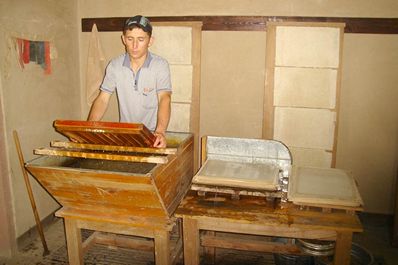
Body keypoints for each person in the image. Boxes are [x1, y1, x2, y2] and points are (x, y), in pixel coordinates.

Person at [87, 15, 172, 148]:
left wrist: (160, 132)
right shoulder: (114, 66)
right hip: (125, 133)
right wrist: (89, 128)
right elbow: (103, 99)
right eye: (130, 39)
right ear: (123, 39)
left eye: (141, 39)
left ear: (150, 41)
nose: (134, 45)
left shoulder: (160, 65)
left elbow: (164, 98)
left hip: (152, 134)